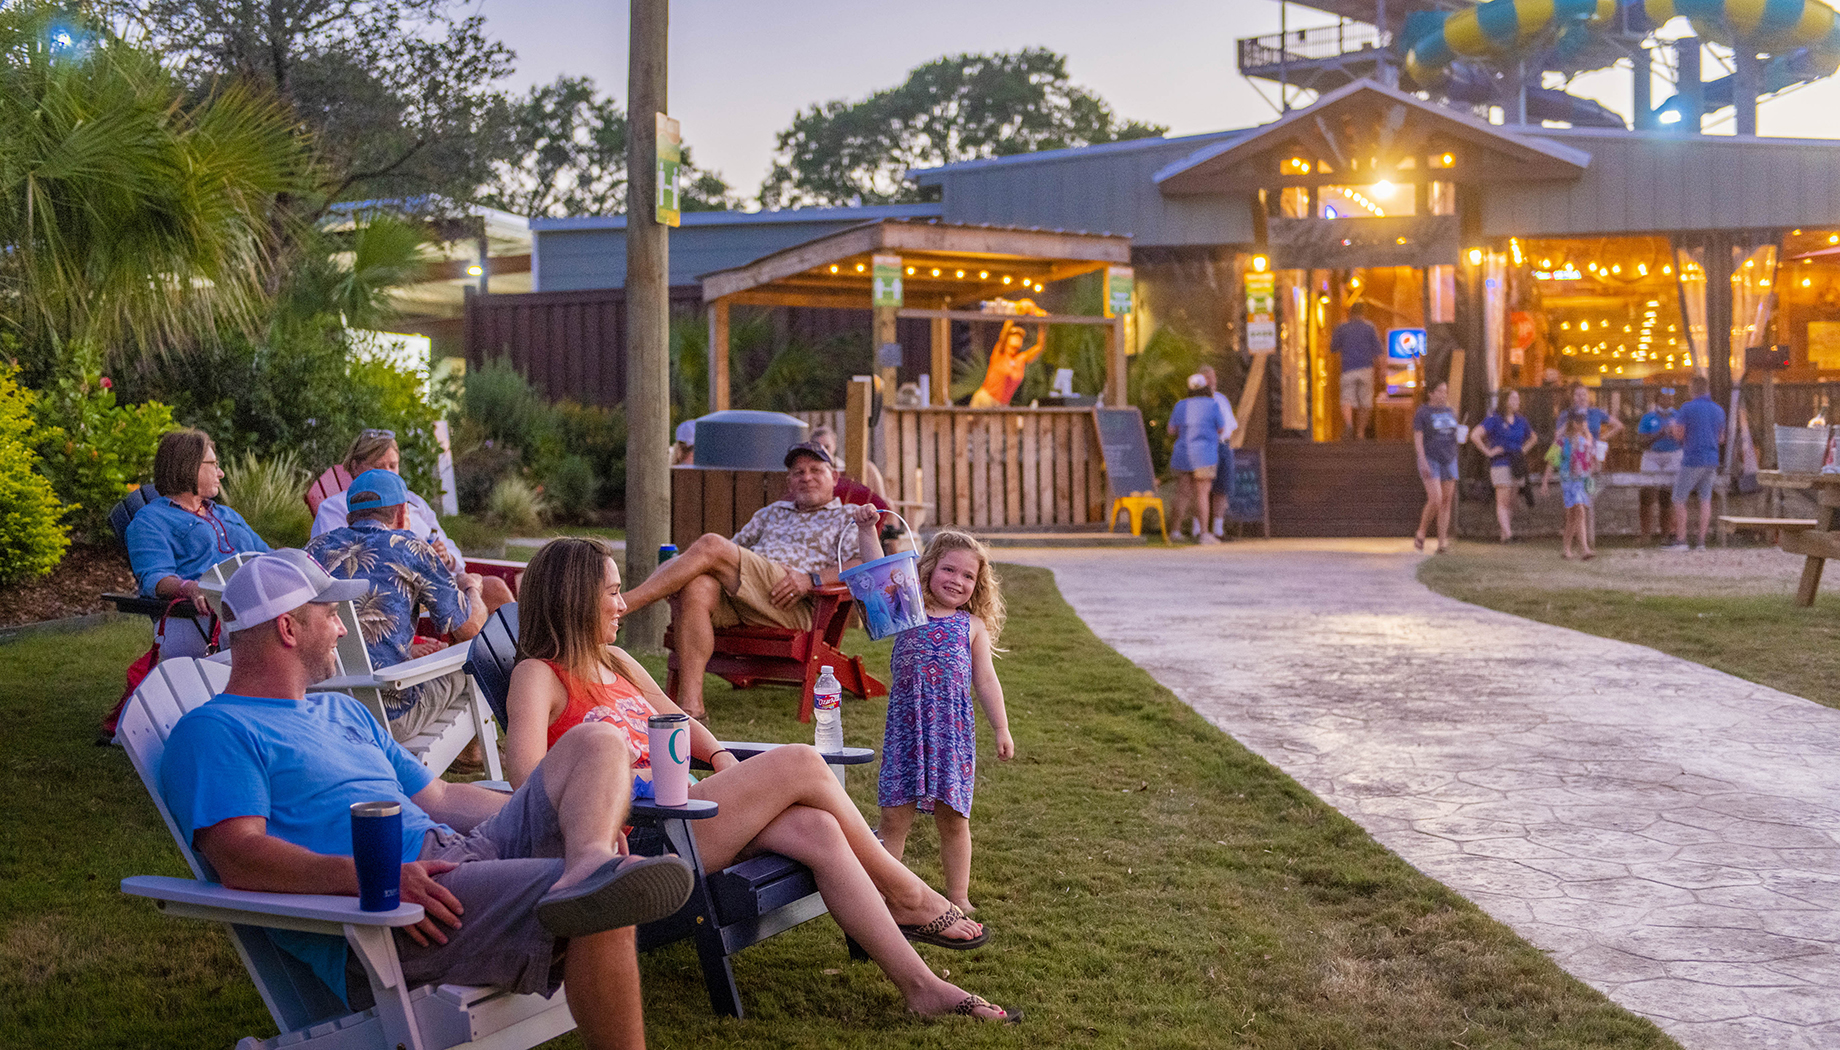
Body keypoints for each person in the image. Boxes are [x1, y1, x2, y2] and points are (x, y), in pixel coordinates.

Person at [157, 550, 696, 1050]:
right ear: (288, 628)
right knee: (603, 900)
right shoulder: (215, 730)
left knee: (596, 740)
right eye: (331, 616)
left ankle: (589, 858)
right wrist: (375, 878)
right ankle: (591, 875)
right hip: (397, 907)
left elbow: (441, 796)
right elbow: (238, 855)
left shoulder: (342, 713)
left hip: (460, 852)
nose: (344, 628)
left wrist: (572, 815)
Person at [502, 537, 1022, 1024]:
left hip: (693, 812)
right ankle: (907, 892)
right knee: (799, 762)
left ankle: (920, 985)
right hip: (644, 834)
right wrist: (599, 808)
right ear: (574, 599)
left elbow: (685, 727)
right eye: (613, 593)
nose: (623, 604)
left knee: (818, 828)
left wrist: (727, 761)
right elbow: (528, 786)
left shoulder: (615, 661)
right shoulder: (538, 676)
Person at [616, 442, 880, 720]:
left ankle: (623, 606)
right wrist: (682, 576)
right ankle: (691, 710)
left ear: (834, 477)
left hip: (793, 603)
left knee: (710, 544)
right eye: (798, 472)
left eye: (816, 470)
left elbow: (864, 564)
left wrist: (811, 578)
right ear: (789, 480)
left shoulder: (848, 517)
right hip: (746, 595)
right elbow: (725, 555)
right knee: (697, 586)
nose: (806, 477)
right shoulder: (771, 513)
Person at [877, 529, 1015, 915]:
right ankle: (888, 895)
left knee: (953, 819)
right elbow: (874, 574)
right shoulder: (908, 611)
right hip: (907, 731)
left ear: (978, 584)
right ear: (928, 569)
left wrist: (1001, 728)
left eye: (968, 576)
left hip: (951, 736)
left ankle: (958, 897)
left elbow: (986, 680)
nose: (957, 580)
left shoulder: (972, 627)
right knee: (893, 818)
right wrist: (863, 529)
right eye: (948, 569)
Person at [304, 469, 488, 744]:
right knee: (473, 662)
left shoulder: (315, 549)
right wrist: (471, 587)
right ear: (402, 513)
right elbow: (470, 628)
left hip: (319, 709)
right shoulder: (411, 548)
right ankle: (471, 755)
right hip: (387, 717)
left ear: (349, 516)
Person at [311, 429, 512, 611]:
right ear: (355, 467)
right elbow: (333, 570)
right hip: (397, 591)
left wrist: (446, 557)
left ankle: (518, 650)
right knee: (474, 613)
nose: (388, 474)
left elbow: (454, 554)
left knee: (496, 587)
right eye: (379, 467)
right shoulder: (335, 508)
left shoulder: (414, 501)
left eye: (393, 466)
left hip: (440, 581)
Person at [126, 428, 272, 655]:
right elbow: (155, 579)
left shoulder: (227, 514)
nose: (221, 473)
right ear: (189, 466)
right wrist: (190, 588)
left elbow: (269, 556)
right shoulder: (149, 521)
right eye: (213, 464)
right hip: (199, 621)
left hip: (256, 606)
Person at [1663, 376, 1727, 552]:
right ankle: (1701, 541)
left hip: (1693, 458)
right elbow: (1721, 438)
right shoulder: (1719, 410)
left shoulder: (1687, 408)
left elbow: (1678, 434)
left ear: (1692, 390)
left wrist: (1671, 428)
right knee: (1705, 499)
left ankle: (1681, 540)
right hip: (1712, 459)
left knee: (1678, 497)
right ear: (1707, 389)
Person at [1471, 389, 1539, 542]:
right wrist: (1488, 452)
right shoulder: (1494, 419)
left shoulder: (1521, 420)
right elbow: (1475, 435)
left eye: (1518, 399)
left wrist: (1522, 450)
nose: (1517, 402)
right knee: (1503, 497)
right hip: (1501, 462)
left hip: (1516, 463)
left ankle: (1504, 533)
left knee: (1512, 499)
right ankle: (1508, 534)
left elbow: (1533, 438)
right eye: (1513, 399)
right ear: (1505, 400)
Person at [1167, 374, 1227, 544]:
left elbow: (1171, 430)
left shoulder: (1180, 406)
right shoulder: (1213, 405)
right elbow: (1221, 429)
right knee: (1202, 493)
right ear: (1206, 387)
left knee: (1182, 493)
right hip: (1205, 455)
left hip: (1183, 453)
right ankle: (1203, 534)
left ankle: (1175, 532)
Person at [1542, 411, 1600, 560]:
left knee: (1576, 514)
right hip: (1569, 481)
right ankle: (1580, 548)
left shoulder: (1585, 441)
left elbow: (1592, 461)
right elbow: (1551, 462)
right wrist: (1545, 482)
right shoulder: (1562, 442)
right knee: (1577, 512)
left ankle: (1572, 548)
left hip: (1581, 481)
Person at [1412, 380, 1461, 554]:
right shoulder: (1423, 412)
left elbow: (1455, 434)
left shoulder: (1450, 412)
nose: (1443, 394)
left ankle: (1442, 543)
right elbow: (1418, 437)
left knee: (1446, 501)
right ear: (1430, 393)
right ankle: (1422, 530)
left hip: (1449, 457)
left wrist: (1462, 435)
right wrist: (1422, 459)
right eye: (1439, 391)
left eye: (1445, 391)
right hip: (1431, 457)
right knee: (1436, 498)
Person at [1199, 365, 1241, 540]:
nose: (1212, 380)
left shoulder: (1221, 399)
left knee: (1222, 488)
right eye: (1208, 377)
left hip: (1224, 445)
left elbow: (1230, 425)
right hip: (1208, 445)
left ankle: (1218, 529)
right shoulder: (1198, 402)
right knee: (1202, 488)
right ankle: (1198, 529)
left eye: (1213, 377)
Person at [1636, 387, 1681, 543]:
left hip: (1673, 455)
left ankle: (1665, 535)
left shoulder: (1678, 417)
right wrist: (1660, 433)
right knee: (1647, 494)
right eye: (1664, 398)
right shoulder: (1648, 418)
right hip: (1652, 456)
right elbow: (1642, 442)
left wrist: (1676, 434)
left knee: (1667, 496)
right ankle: (1645, 534)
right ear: (1658, 399)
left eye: (1671, 398)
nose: (1668, 401)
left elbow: (1685, 438)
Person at [1332, 302, 1382, 440]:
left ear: (1350, 313)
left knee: (1347, 399)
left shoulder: (1342, 328)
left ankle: (1349, 424)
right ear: (1363, 313)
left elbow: (1333, 347)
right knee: (1365, 402)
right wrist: (1381, 371)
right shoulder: (1370, 327)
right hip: (1366, 368)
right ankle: (1360, 432)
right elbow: (1378, 351)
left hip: (1347, 369)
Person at [968, 320, 1045, 409]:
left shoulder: (1020, 359)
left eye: (1019, 337)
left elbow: (1039, 347)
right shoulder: (1000, 353)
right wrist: (1012, 314)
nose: (1017, 339)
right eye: (1014, 335)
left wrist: (1042, 324)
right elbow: (1003, 335)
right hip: (986, 400)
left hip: (1002, 405)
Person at [809, 423, 890, 506]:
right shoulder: (809, 476)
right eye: (819, 448)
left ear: (834, 444)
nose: (824, 452)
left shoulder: (853, 469)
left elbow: (881, 501)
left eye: (826, 447)